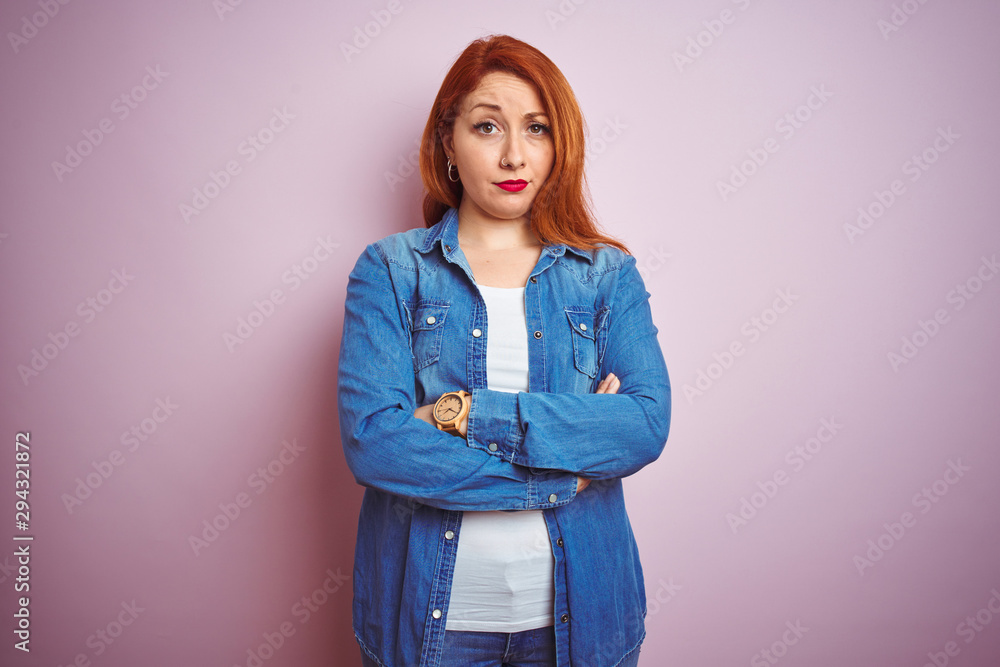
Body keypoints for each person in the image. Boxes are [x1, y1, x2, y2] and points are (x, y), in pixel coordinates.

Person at [337, 34, 671, 667]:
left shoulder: (605, 274)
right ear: (449, 144)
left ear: (558, 145)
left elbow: (645, 425)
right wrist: (565, 467)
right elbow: (376, 444)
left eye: (537, 128)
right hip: (430, 626)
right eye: (488, 126)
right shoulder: (390, 271)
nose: (515, 153)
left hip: (585, 622)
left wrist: (461, 412)